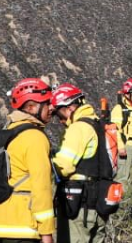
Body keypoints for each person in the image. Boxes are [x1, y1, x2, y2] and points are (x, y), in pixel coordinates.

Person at [0, 78, 56, 243]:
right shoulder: (34, 137)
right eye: (46, 103)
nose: (51, 107)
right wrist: (46, 232)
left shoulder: (7, 131)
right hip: (24, 228)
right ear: (31, 107)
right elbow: (41, 187)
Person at [51, 84, 107, 243]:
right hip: (99, 203)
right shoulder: (97, 124)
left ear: (69, 108)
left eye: (58, 114)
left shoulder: (78, 128)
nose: (60, 120)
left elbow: (64, 166)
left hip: (79, 206)